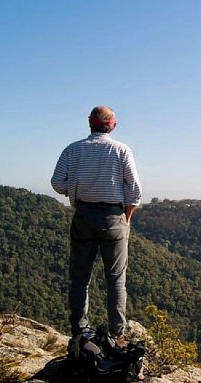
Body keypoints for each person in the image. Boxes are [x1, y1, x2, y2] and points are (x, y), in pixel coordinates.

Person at [51, 106, 142, 345]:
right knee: (116, 278)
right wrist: (127, 219)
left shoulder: (73, 150)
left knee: (80, 278)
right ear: (112, 124)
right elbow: (135, 190)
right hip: (113, 217)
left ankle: (80, 331)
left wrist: (75, 189)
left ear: (89, 123)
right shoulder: (121, 149)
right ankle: (117, 334)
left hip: (83, 215)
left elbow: (57, 182)